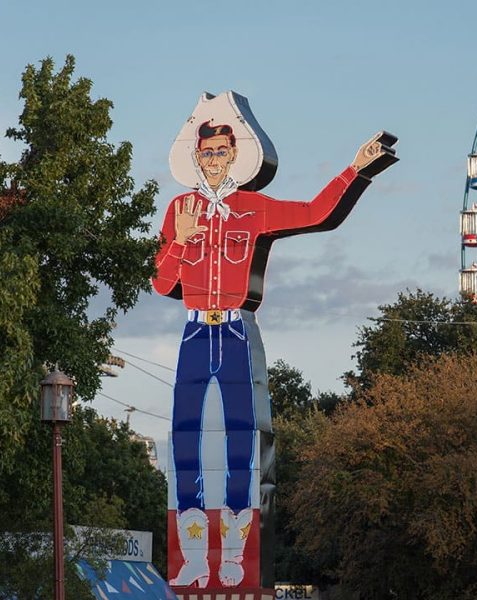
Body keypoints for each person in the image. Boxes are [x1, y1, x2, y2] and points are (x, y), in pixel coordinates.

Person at [153, 114, 397, 589]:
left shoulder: (253, 207)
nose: (214, 160)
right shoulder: (180, 208)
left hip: (237, 332)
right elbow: (162, 282)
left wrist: (356, 170)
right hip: (194, 333)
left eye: (222, 152)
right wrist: (180, 240)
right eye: (207, 152)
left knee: (242, 446)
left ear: (235, 155)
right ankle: (194, 557)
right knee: (186, 446)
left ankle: (235, 558)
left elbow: (316, 213)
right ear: (196, 157)